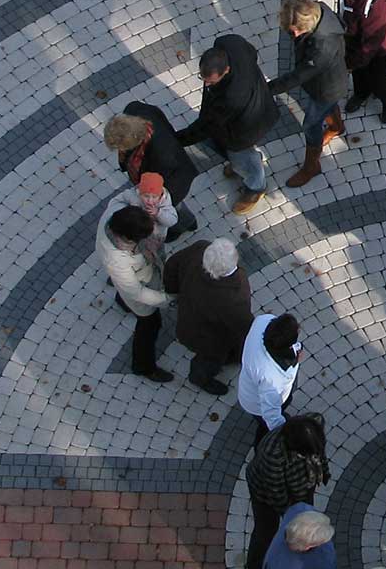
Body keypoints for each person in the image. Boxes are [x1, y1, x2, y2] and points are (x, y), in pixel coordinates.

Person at [176, 35, 280, 215]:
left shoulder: (231, 97)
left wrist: (178, 140)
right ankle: (246, 166)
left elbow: (207, 126)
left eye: (211, 82)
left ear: (226, 70)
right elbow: (251, 52)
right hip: (258, 104)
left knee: (241, 157)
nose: (206, 84)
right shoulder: (230, 43)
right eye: (203, 77)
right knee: (237, 153)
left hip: (244, 129)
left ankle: (256, 187)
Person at [269, 0, 350, 187]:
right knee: (328, 108)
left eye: (297, 30)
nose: (295, 35)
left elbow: (298, 76)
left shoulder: (322, 47)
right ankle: (337, 127)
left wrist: (269, 89)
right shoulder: (319, 12)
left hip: (325, 88)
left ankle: (311, 166)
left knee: (311, 125)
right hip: (331, 81)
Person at [245, 414, 328, 569]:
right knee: (264, 532)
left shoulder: (313, 425)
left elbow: (319, 452)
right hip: (265, 494)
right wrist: (290, 517)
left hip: (302, 485)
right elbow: (277, 493)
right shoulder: (272, 454)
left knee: (306, 521)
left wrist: (323, 472)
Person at [163, 237, 253, 395]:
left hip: (188, 322)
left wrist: (174, 292)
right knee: (211, 359)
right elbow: (244, 325)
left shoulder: (199, 249)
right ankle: (199, 378)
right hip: (210, 339)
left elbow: (172, 265)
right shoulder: (232, 296)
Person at [96, 201, 174, 382]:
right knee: (150, 325)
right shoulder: (117, 261)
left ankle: (122, 302)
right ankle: (143, 366)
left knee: (123, 291)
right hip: (138, 287)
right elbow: (137, 292)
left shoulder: (116, 211)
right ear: (128, 238)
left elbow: (123, 197)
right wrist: (167, 300)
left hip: (135, 278)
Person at [104, 105, 199, 239]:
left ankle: (183, 225)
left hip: (173, 181)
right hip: (160, 173)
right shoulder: (134, 111)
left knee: (173, 207)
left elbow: (164, 184)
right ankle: (188, 222)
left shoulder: (162, 154)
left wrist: (156, 199)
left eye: (122, 147)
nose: (121, 151)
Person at [239, 313, 302, 431]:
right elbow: (271, 415)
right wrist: (282, 430)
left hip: (250, 387)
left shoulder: (263, 321)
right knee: (265, 426)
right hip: (258, 406)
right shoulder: (272, 379)